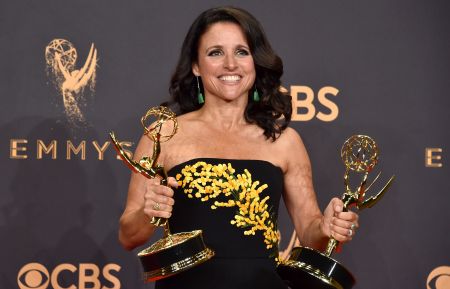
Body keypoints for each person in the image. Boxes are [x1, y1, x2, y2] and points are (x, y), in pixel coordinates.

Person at [118, 6, 359, 289]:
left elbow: (310, 234)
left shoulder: (284, 141)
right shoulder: (164, 135)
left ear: (255, 62)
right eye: (215, 52)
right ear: (196, 64)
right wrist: (150, 212)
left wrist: (327, 228)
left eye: (242, 52)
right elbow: (128, 236)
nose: (230, 64)